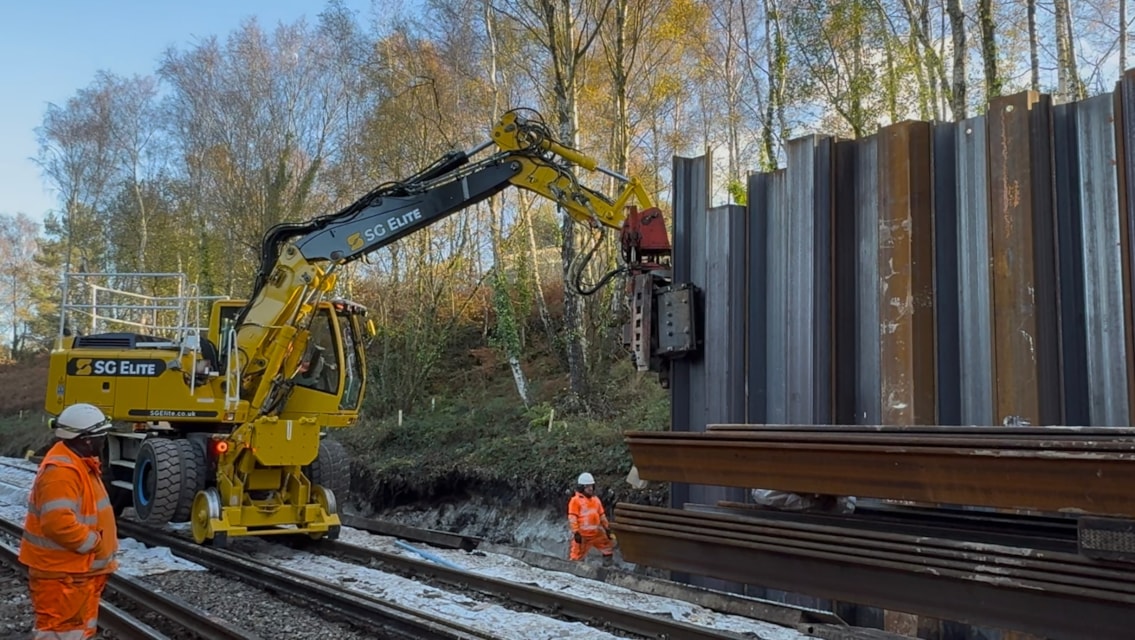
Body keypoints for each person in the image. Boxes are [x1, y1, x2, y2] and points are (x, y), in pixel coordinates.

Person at [19, 403, 119, 640]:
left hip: (75, 574)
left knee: (75, 632)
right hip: (64, 575)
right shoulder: (62, 473)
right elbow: (58, 524)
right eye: (100, 436)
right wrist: (94, 542)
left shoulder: (78, 463)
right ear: (85, 439)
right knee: (59, 634)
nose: (103, 441)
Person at [567, 472, 615, 564]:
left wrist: (607, 528)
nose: (590, 489)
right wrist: (576, 532)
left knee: (608, 546)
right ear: (582, 487)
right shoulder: (575, 501)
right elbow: (572, 517)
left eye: (591, 486)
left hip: (596, 534)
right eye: (587, 486)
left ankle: (607, 565)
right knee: (576, 555)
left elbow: (602, 516)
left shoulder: (596, 500)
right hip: (582, 535)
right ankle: (574, 568)